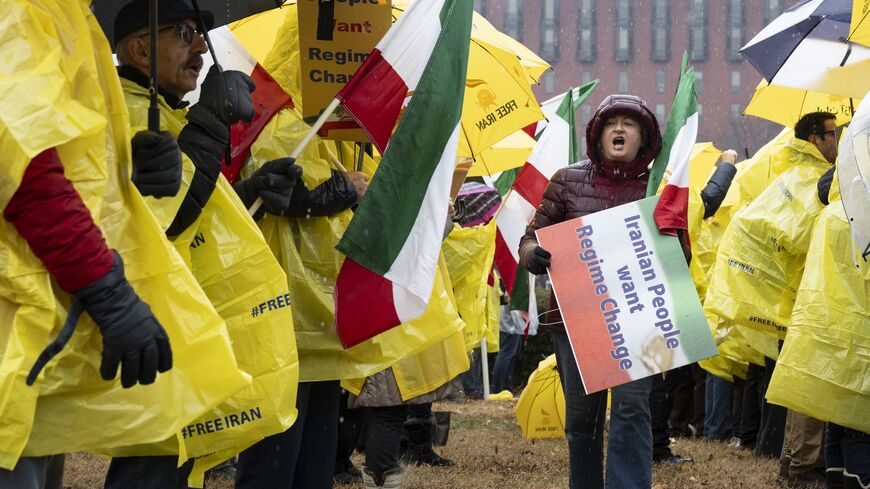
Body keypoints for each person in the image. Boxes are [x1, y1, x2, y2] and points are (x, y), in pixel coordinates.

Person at [108, 1, 300, 486]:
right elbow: (163, 218)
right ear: (139, 49)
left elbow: (196, 209)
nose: (199, 46)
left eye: (201, 35)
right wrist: (211, 121)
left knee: (170, 460)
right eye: (185, 33)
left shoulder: (167, 112)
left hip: (180, 324)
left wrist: (250, 193)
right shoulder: (125, 112)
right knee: (151, 465)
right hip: (157, 324)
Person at [0, 1, 179, 487]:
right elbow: (22, 168)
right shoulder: (20, 13)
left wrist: (131, 174)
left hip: (38, 329)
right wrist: (110, 296)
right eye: (182, 33)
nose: (198, 45)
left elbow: (65, 161)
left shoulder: (68, 17)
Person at [518, 94, 662, 489]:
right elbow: (530, 238)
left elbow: (679, 252)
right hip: (574, 318)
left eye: (628, 123)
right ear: (597, 136)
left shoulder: (659, 186)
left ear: (643, 137)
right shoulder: (566, 180)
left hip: (636, 321)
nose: (619, 129)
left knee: (632, 409)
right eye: (611, 122)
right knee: (583, 420)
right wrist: (534, 254)